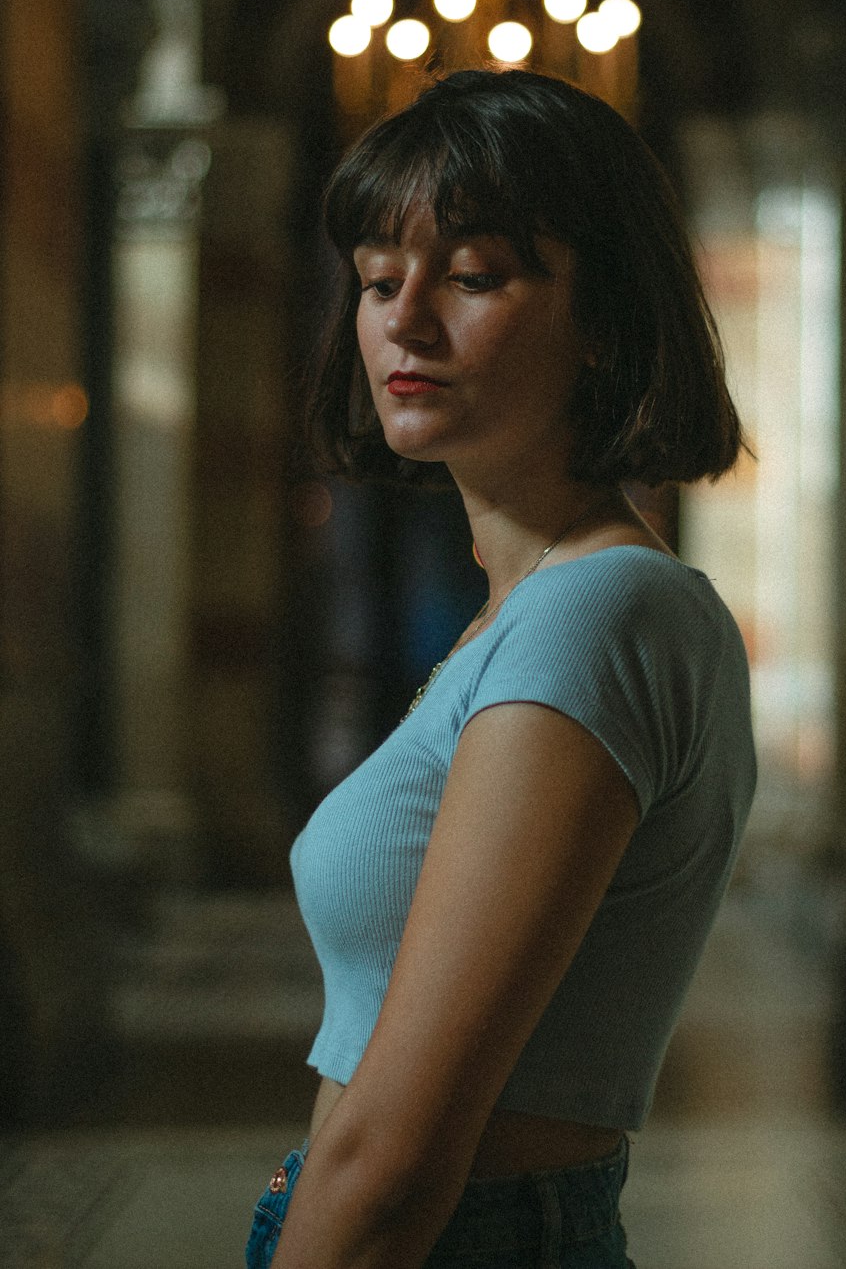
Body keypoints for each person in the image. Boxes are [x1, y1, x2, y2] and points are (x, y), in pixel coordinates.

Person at [247, 68, 757, 1269]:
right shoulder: (523, 616)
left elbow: (405, 1156)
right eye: (378, 279)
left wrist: (334, 1208)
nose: (404, 319)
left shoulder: (600, 613)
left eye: (473, 277)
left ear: (603, 322)